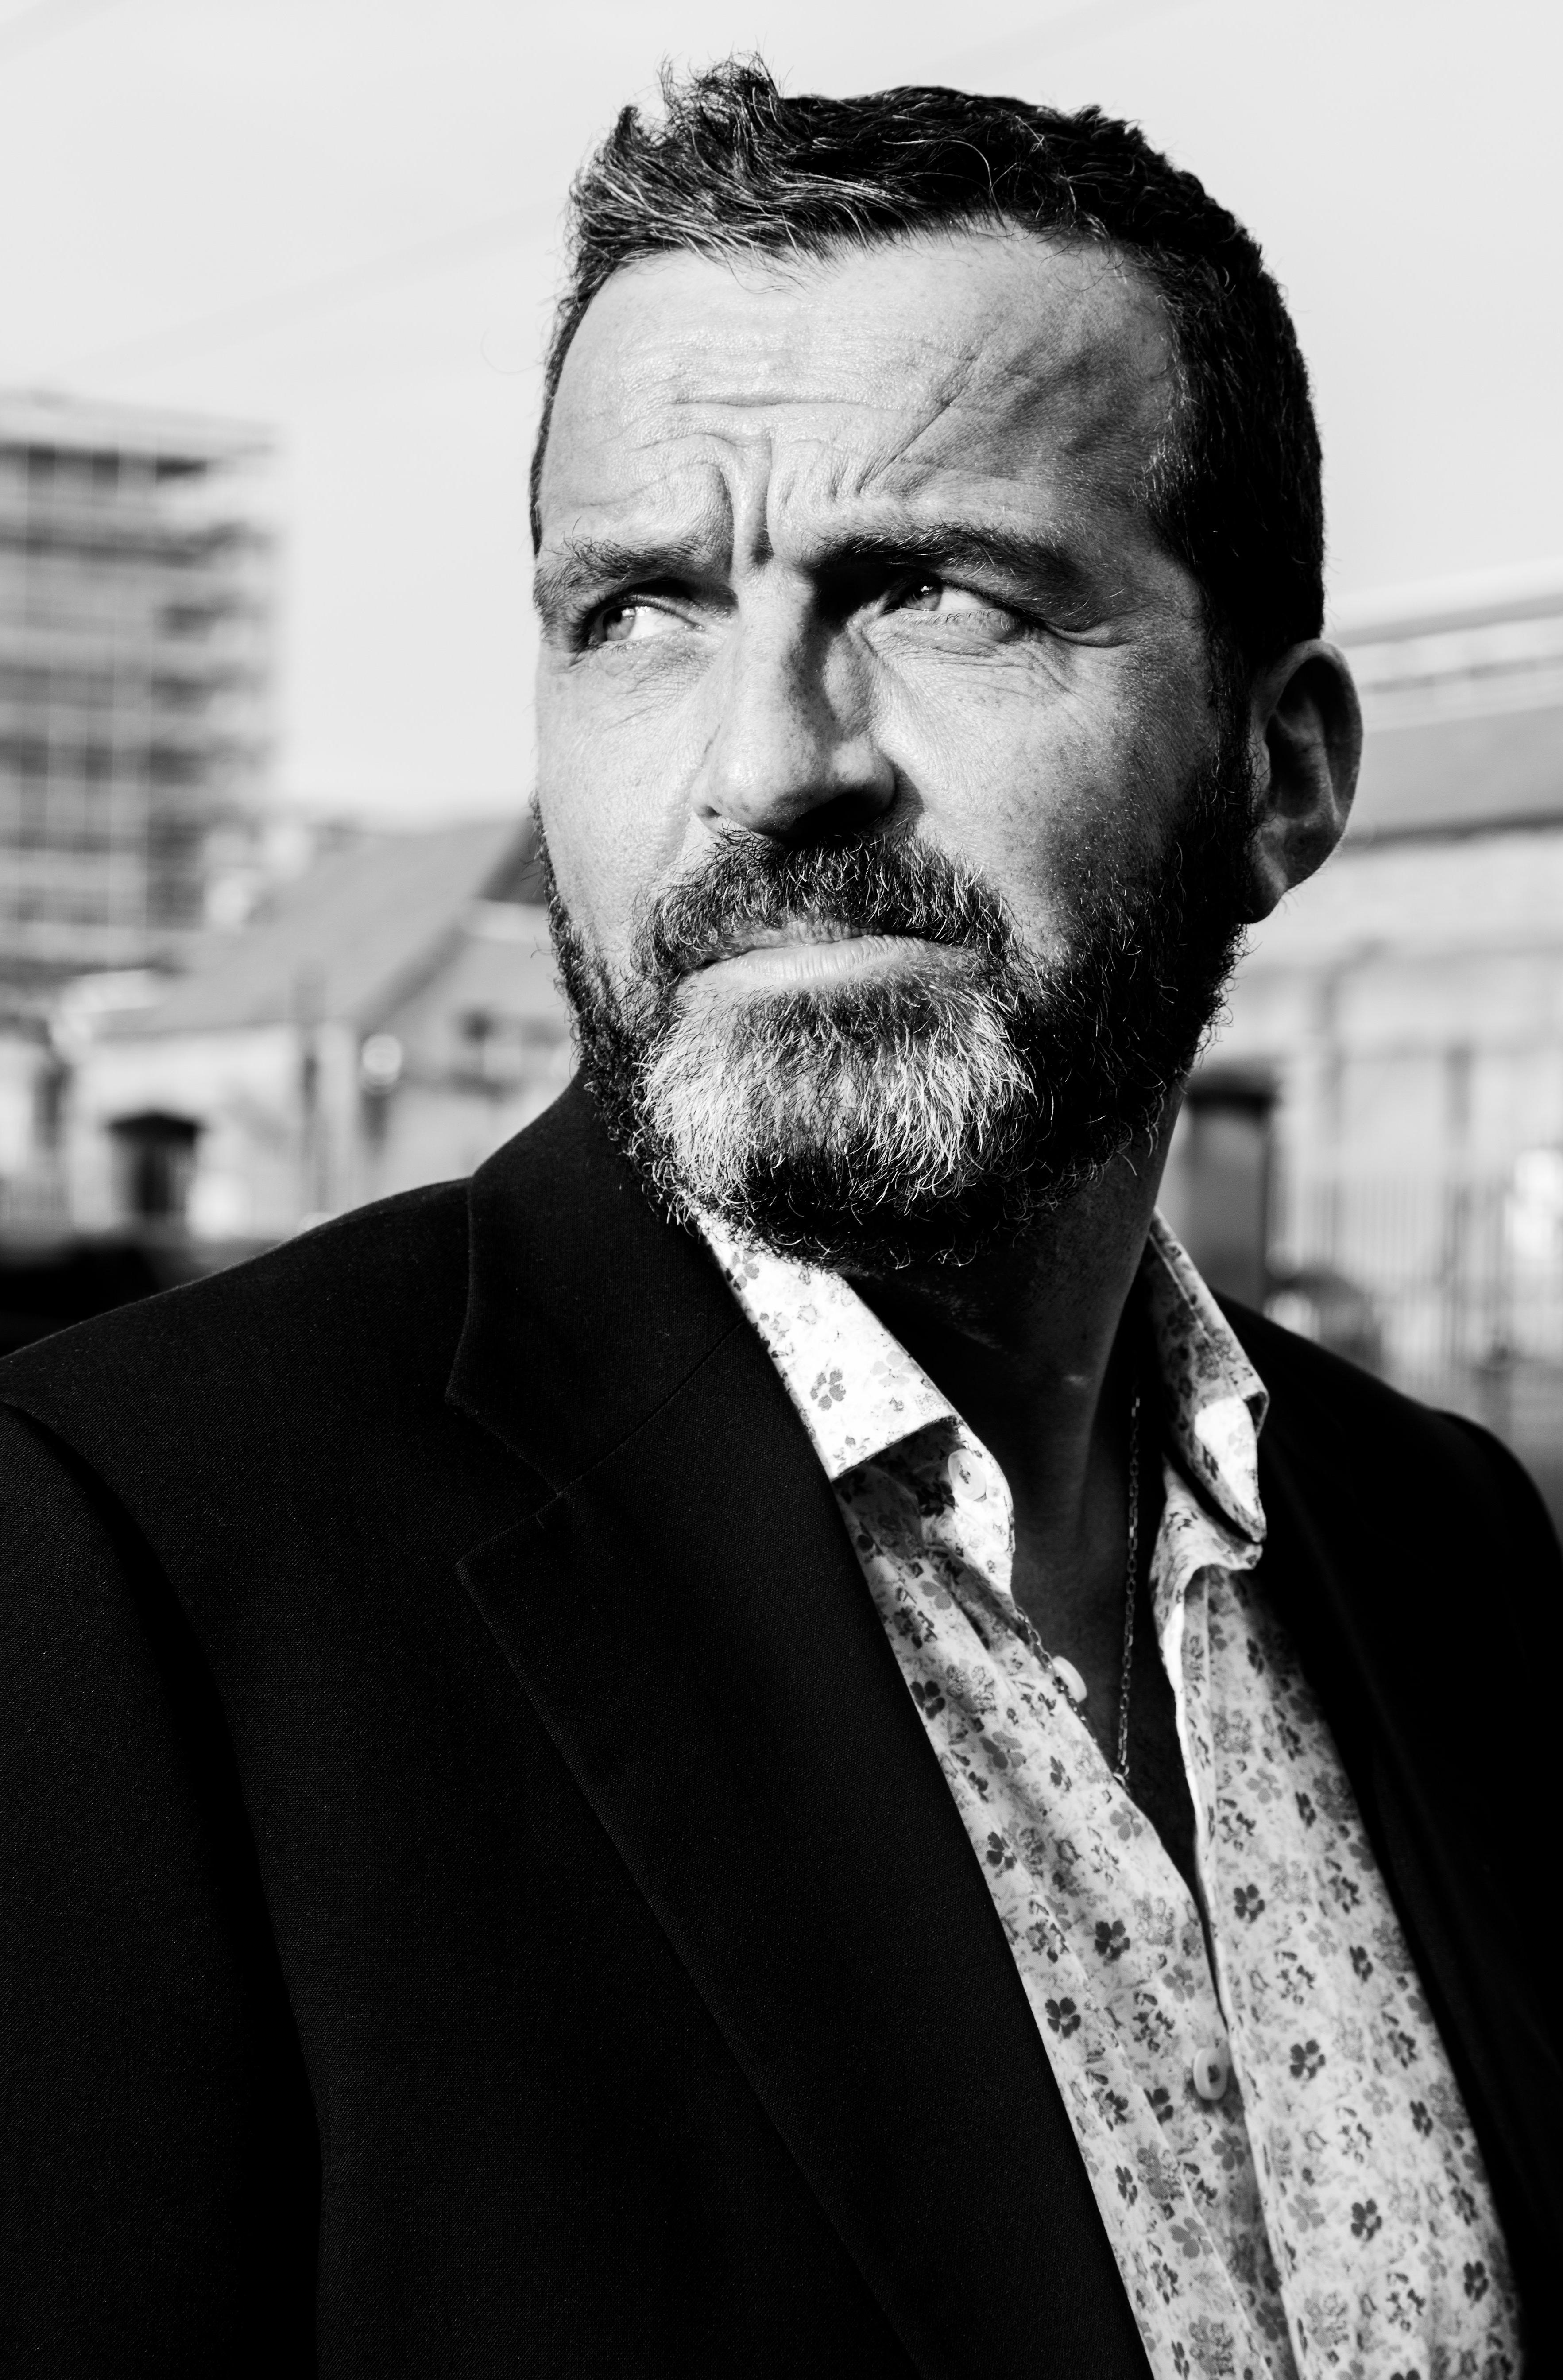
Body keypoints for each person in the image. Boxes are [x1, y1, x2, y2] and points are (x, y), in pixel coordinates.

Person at [1, 62, 1556, 2380]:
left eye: (937, 593)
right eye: (637, 610)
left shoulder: (1446, 1548)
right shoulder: (130, 1562)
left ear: (1285, 769)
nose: (763, 765)